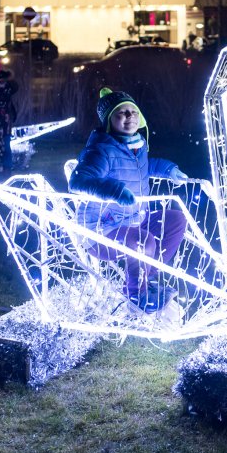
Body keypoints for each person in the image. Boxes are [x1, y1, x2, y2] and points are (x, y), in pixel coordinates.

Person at [69, 87, 189, 312]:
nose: (129, 116)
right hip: (100, 229)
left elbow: (146, 166)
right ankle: (136, 297)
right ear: (108, 121)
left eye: (132, 111)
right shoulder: (101, 150)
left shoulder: (137, 146)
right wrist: (114, 191)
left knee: (175, 220)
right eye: (120, 113)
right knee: (144, 241)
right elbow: (78, 181)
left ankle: (147, 277)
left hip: (133, 219)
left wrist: (169, 170)